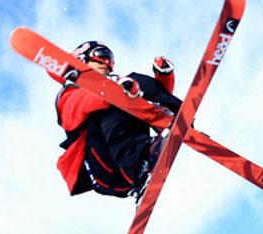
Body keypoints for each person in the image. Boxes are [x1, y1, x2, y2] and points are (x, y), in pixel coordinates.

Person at [54, 40, 182, 198]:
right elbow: (76, 109)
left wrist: (164, 77)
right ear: (82, 59)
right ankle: (140, 168)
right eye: (102, 55)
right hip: (104, 169)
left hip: (131, 157)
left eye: (111, 59)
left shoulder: (116, 83)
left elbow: (148, 104)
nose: (108, 63)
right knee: (115, 101)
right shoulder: (68, 93)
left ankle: (177, 117)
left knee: (137, 83)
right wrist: (114, 92)